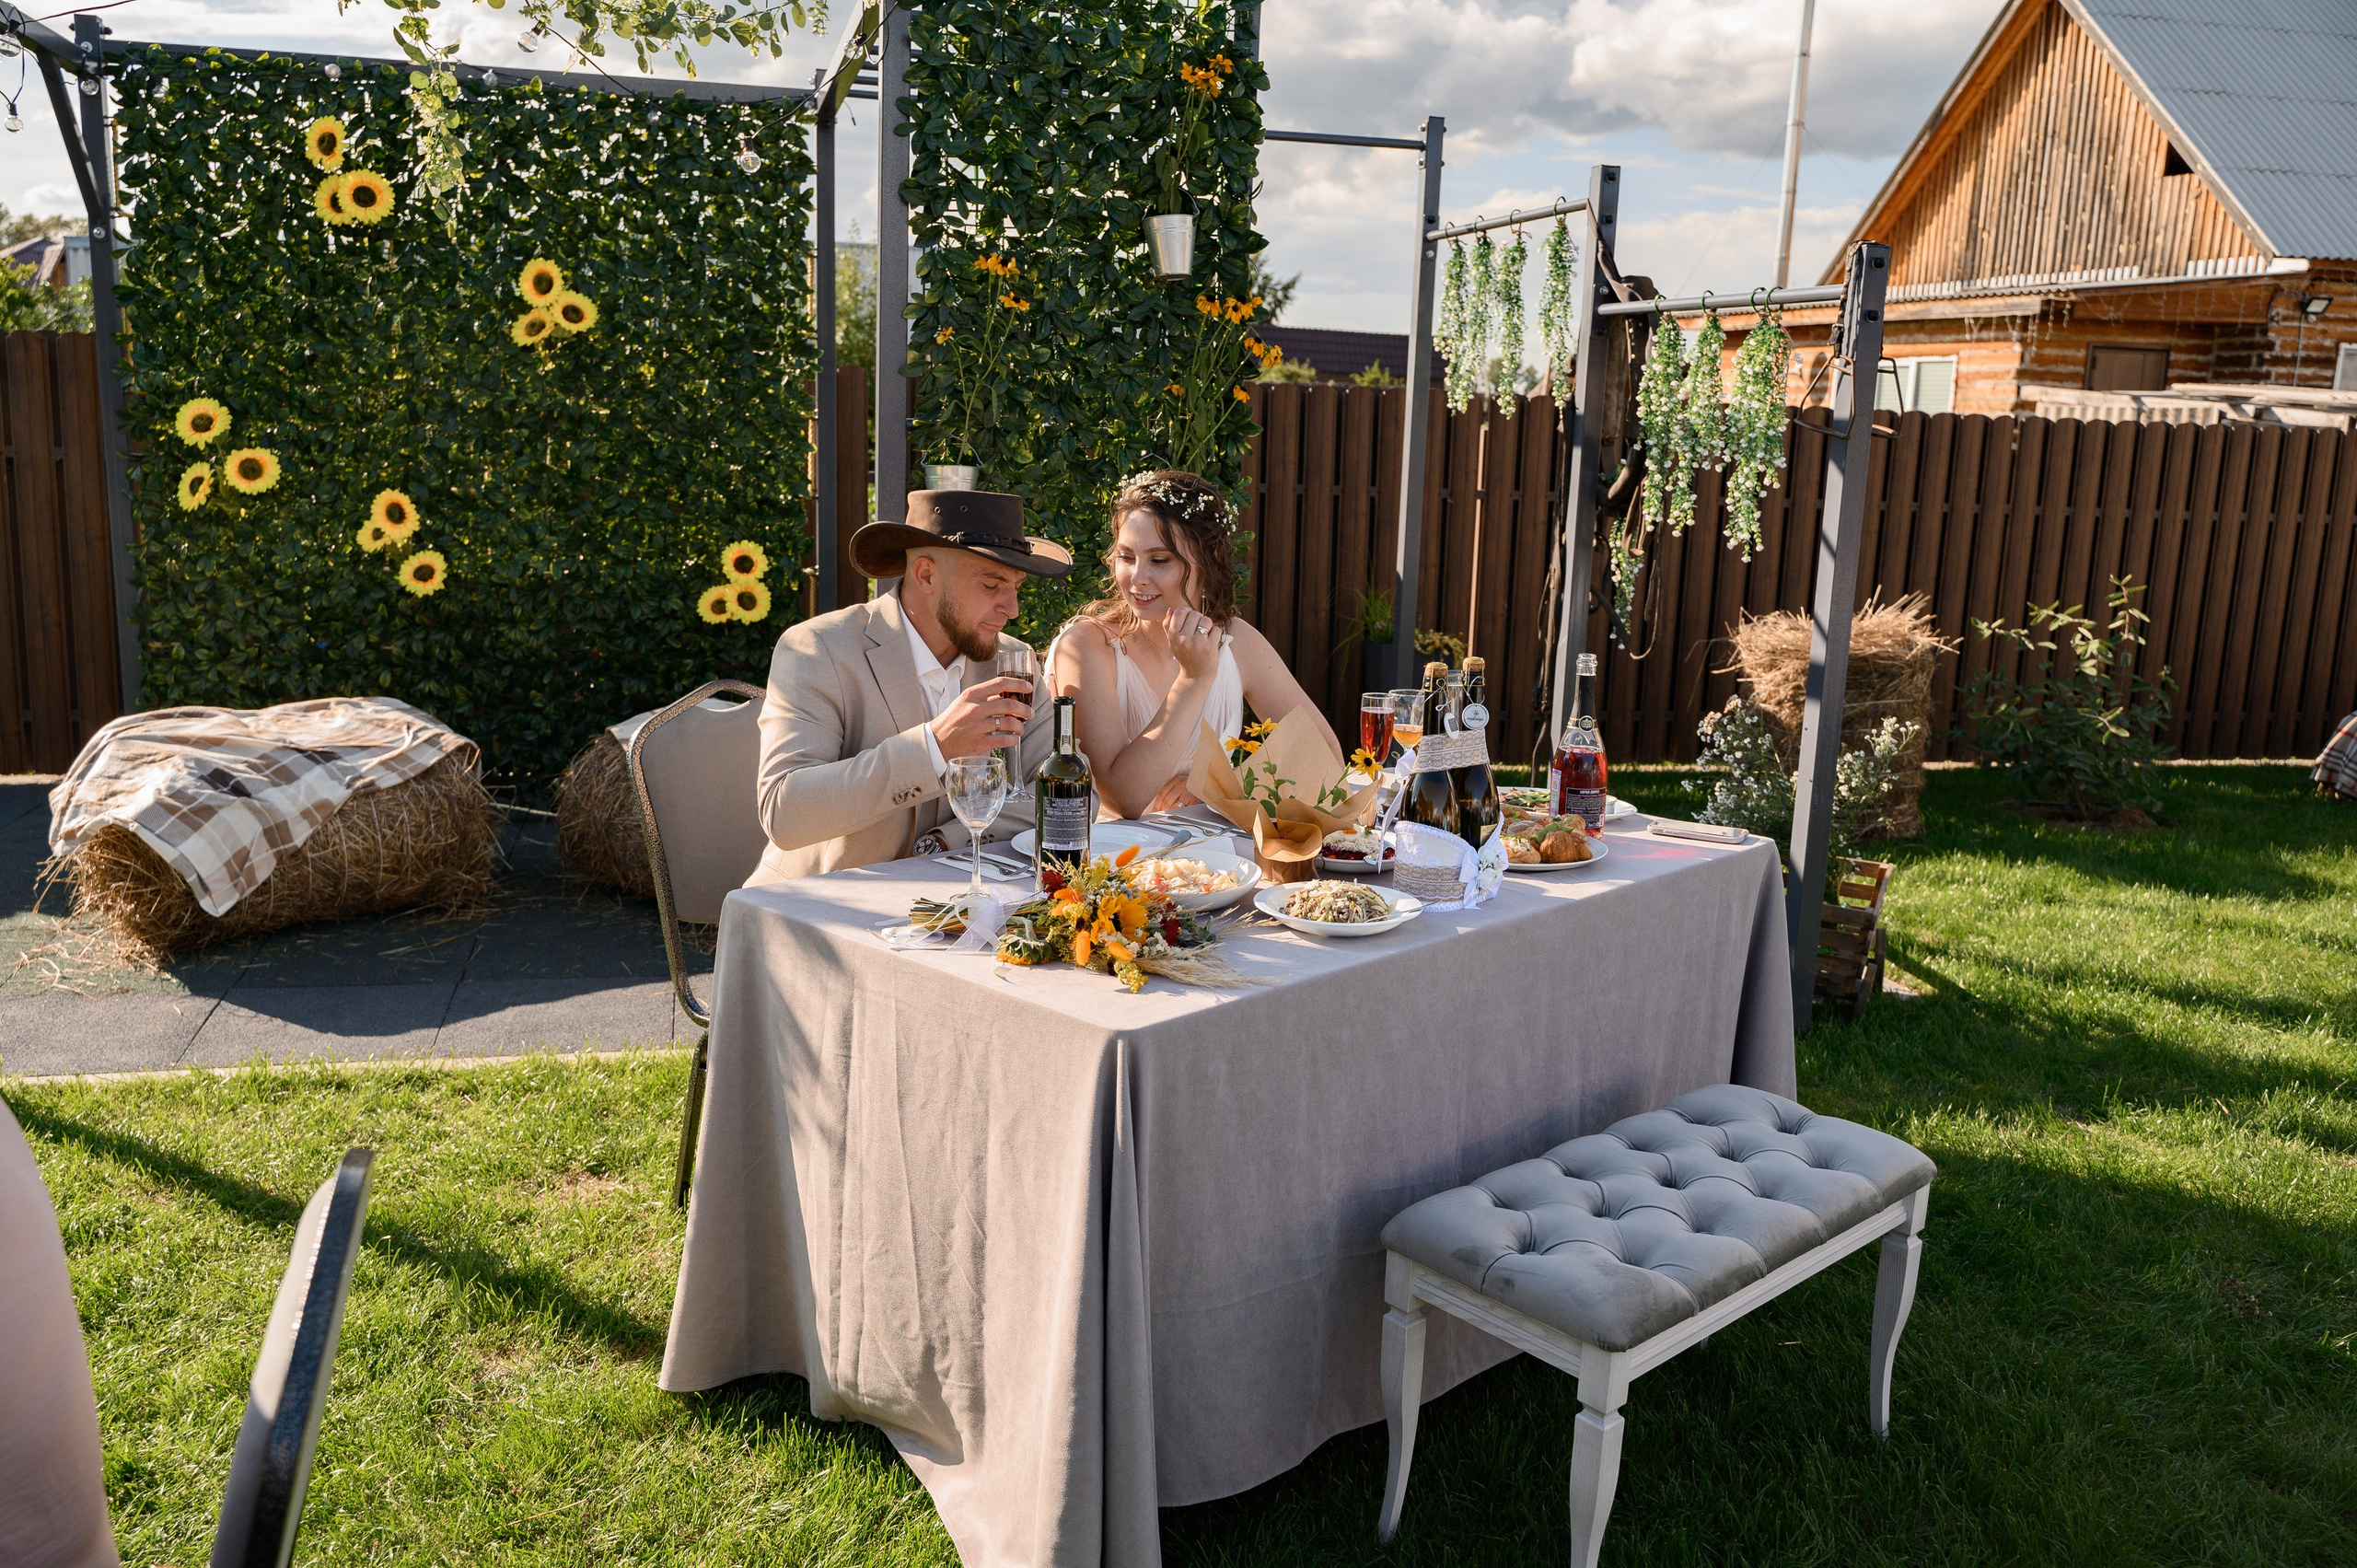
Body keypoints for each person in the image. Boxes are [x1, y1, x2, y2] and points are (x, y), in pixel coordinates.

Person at [749, 489, 1072, 882]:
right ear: (926, 575)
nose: (1012, 608)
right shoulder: (818, 648)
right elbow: (786, 812)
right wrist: (934, 746)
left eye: (1016, 586)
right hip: (819, 907)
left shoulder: (1013, 662)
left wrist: (943, 844)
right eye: (992, 585)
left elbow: (1064, 793)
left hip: (961, 901)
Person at [1049, 470, 1341, 819]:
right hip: (1111, 862)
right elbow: (1123, 798)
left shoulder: (1237, 641)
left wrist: (1218, 786)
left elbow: (1326, 756)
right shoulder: (1087, 646)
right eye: (1126, 557)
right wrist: (1193, 679)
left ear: (1210, 557)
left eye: (1160, 560)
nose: (1137, 578)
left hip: (1214, 862)